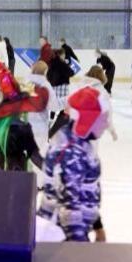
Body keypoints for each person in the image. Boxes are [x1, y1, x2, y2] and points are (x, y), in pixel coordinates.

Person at [37, 86, 104, 242]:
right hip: (59, 237)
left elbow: (84, 192)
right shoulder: (71, 153)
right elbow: (69, 208)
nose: (105, 124)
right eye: (101, 119)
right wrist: (79, 246)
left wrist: (97, 226)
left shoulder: (80, 142)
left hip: (65, 232)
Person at [25, 61, 58, 152]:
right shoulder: (46, 85)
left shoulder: (27, 82)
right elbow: (53, 106)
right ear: (45, 71)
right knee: (40, 152)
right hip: (40, 125)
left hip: (26, 124)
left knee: (28, 151)